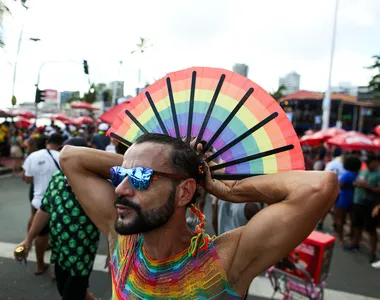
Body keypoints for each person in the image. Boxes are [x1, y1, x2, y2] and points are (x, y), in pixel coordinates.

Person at [59, 133, 337, 299]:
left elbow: (319, 186)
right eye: (121, 175)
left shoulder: (225, 260)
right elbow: (71, 158)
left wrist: (227, 188)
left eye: (141, 177)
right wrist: (154, 163)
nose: (120, 188)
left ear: (184, 192)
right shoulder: (123, 239)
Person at [15, 137, 100, 300]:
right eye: (62, 153)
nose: (63, 158)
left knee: (70, 295)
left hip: (81, 254)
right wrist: (28, 240)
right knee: (64, 290)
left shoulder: (95, 182)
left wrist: (113, 254)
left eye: (69, 154)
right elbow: (44, 210)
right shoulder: (58, 178)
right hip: (60, 250)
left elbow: (110, 219)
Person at [22, 133, 64, 275]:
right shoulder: (62, 156)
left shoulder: (32, 156)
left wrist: (40, 181)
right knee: (58, 236)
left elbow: (28, 179)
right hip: (59, 203)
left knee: (41, 235)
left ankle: (40, 265)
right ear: (60, 145)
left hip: (39, 201)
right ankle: (55, 272)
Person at [345, 155, 380, 263]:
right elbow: (356, 181)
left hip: (370, 205)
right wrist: (356, 184)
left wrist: (366, 186)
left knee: (371, 229)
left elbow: (378, 190)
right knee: (356, 225)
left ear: (376, 162)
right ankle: (355, 244)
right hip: (358, 201)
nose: (369, 165)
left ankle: (372, 252)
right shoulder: (363, 171)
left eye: (371, 162)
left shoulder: (379, 173)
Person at [334, 155, 361, 245]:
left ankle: (340, 239)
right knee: (352, 220)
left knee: (340, 220)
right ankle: (351, 238)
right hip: (354, 198)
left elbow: (339, 185)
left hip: (343, 198)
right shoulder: (358, 174)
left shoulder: (346, 174)